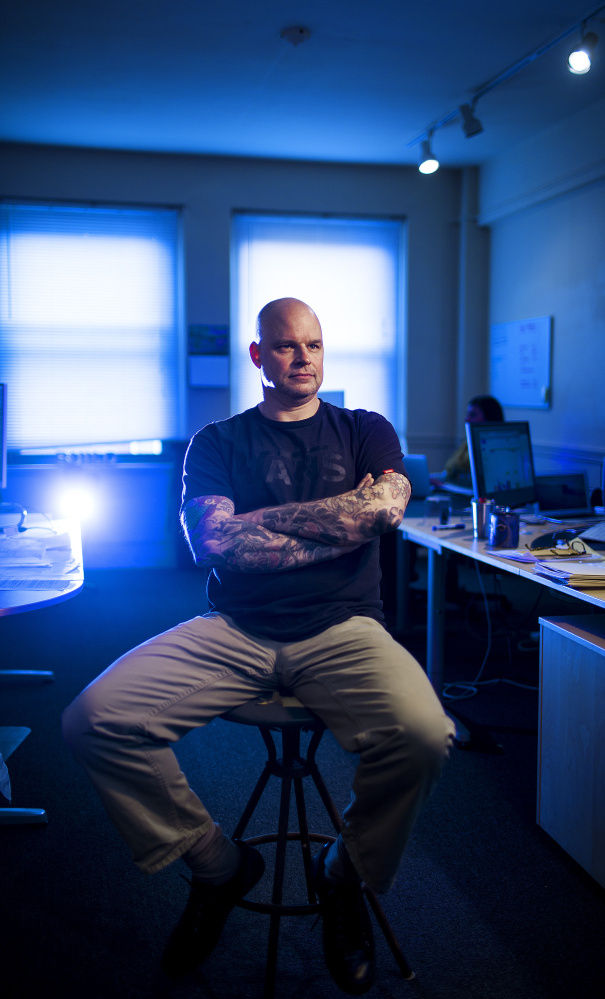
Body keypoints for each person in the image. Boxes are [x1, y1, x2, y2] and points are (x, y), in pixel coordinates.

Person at [62, 297, 455, 995]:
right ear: (256, 356)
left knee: (425, 734)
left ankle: (343, 875)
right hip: (234, 629)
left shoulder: (365, 429)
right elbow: (211, 544)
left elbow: (384, 511)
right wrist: (339, 519)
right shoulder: (218, 442)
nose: (302, 357)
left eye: (313, 344)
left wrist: (263, 526)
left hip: (343, 628)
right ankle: (217, 864)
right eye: (283, 346)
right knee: (94, 719)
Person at [430, 394, 504, 488]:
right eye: (467, 414)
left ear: (488, 419)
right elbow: (448, 475)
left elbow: (474, 485)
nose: (466, 419)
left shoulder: (493, 449)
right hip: (452, 490)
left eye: (472, 415)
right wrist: (429, 478)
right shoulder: (467, 444)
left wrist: (444, 485)